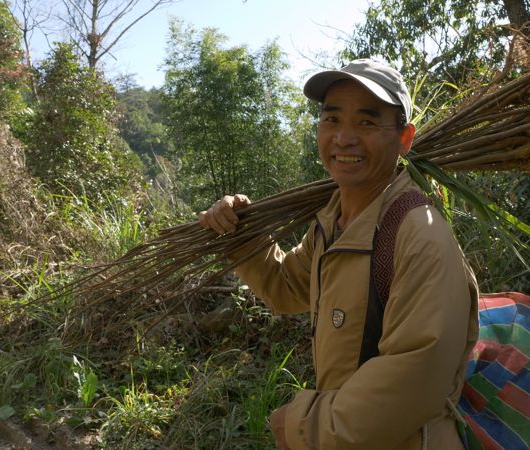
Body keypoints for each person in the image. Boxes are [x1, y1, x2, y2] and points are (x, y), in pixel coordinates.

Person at [198, 59, 478, 450]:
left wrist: (300, 426)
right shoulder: (333, 222)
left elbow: (412, 383)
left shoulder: (418, 235)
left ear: (405, 138)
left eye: (366, 122)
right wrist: (240, 231)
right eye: (332, 119)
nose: (344, 138)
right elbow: (284, 286)